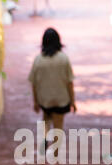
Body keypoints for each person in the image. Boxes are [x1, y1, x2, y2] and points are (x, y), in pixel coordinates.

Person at [28, 27, 76, 155]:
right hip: (61, 99)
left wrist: (35, 101)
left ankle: (43, 143)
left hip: (45, 99)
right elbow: (69, 82)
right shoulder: (63, 59)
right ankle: (55, 153)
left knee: (46, 120)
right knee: (58, 126)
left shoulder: (38, 60)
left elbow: (33, 83)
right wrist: (73, 101)